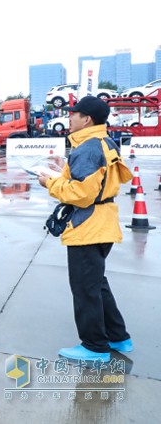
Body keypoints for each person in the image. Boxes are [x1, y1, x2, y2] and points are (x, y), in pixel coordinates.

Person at [38, 95, 133, 361]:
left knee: (85, 288)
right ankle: (118, 337)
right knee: (96, 283)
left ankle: (94, 346)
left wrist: (50, 184)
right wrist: (62, 173)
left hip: (87, 226)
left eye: (74, 114)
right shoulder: (104, 142)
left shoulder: (87, 148)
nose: (69, 118)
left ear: (86, 119)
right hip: (102, 223)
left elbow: (81, 194)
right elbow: (93, 184)